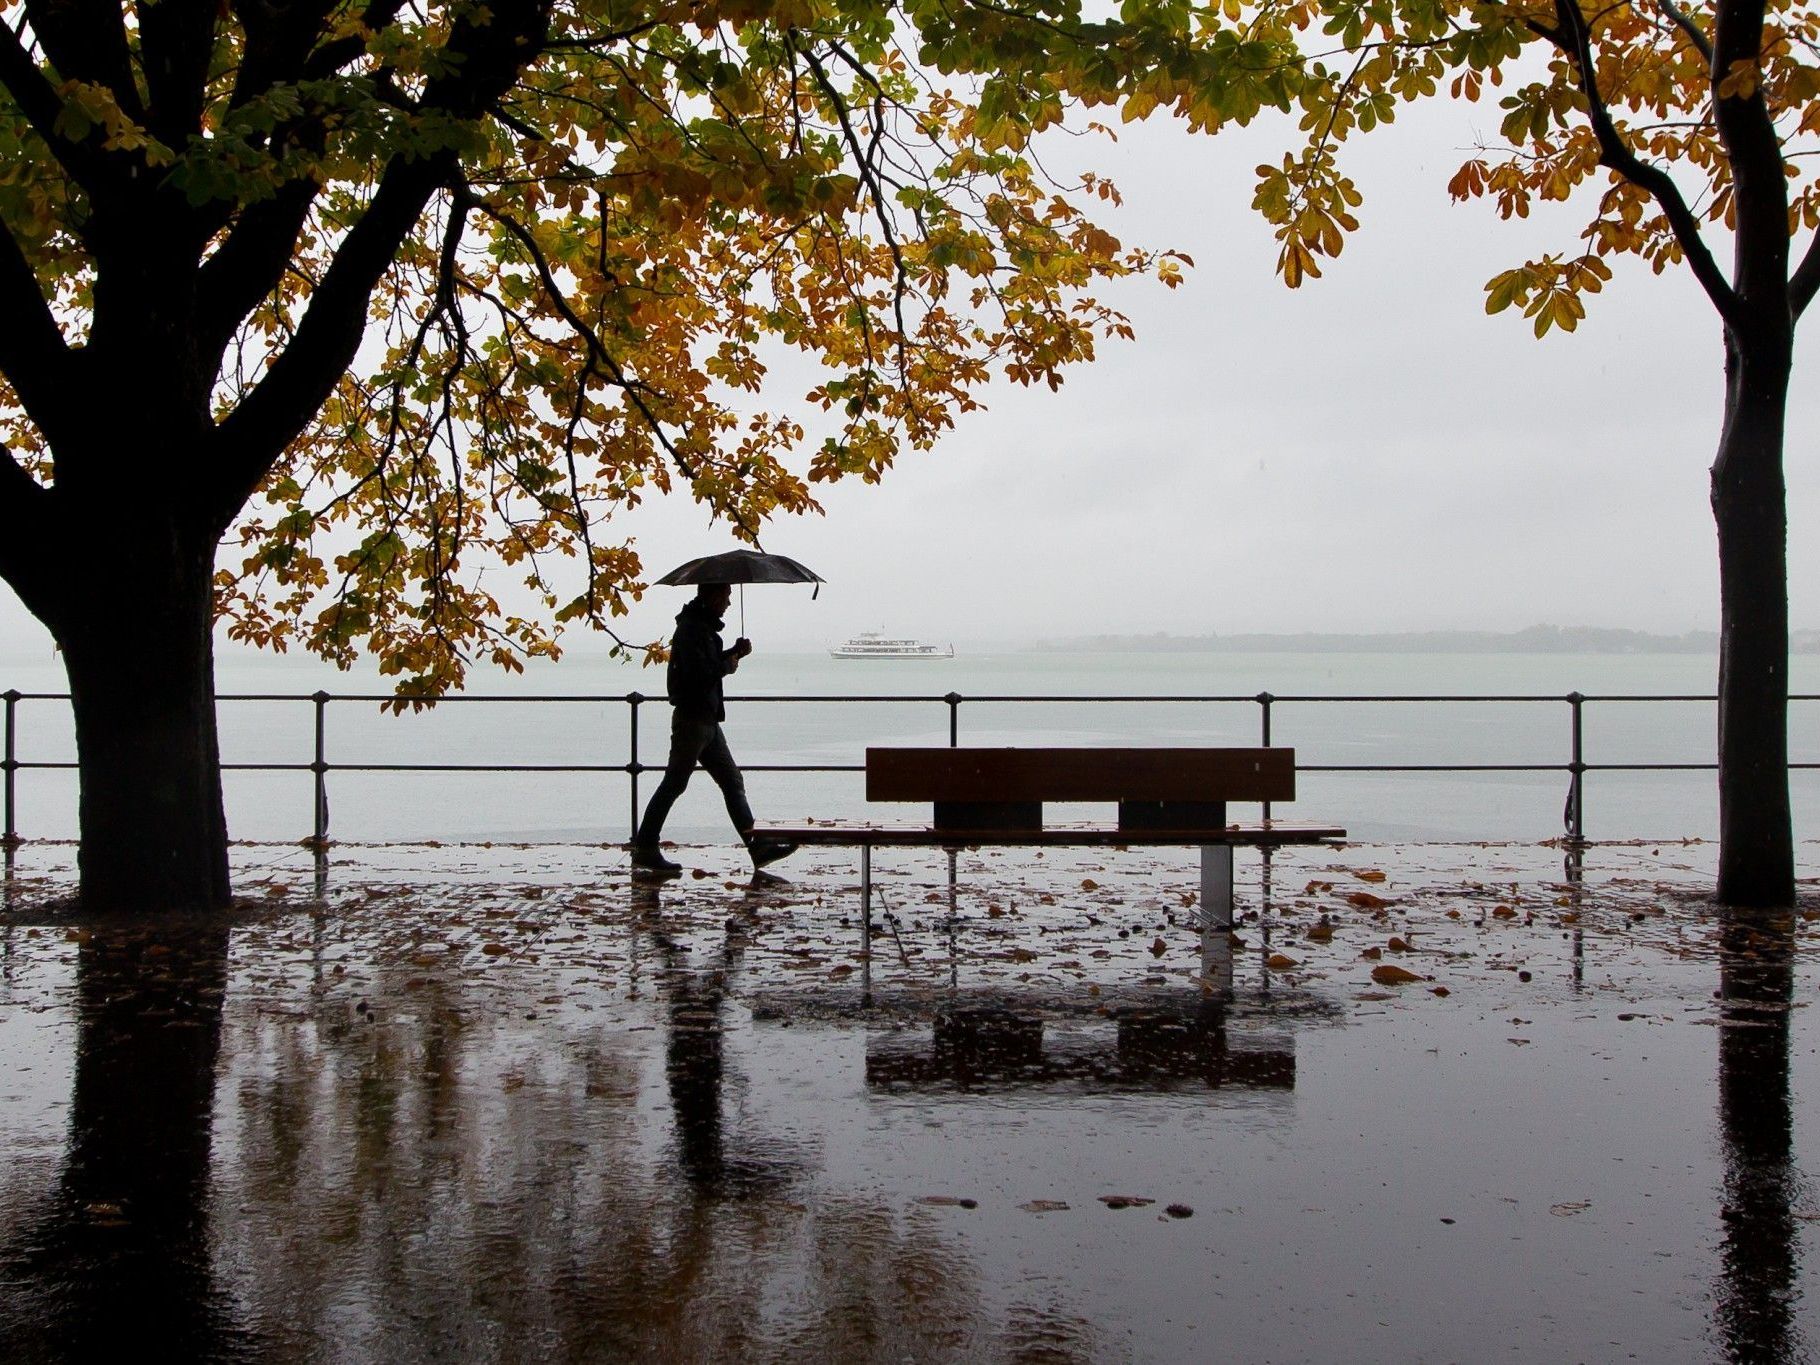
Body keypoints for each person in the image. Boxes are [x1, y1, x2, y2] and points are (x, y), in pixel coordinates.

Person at [630, 582, 797, 875]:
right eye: (727, 596)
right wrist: (727, 666)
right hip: (694, 720)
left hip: (705, 721)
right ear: (713, 596)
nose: (730, 603)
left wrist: (734, 652)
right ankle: (645, 847)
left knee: (731, 782)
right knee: (676, 783)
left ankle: (757, 847)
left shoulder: (699, 628)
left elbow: (704, 665)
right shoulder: (692, 630)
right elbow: (698, 675)